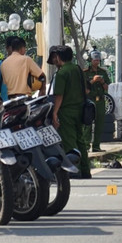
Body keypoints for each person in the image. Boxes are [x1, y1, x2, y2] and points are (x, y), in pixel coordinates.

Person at [51, 46, 90, 178]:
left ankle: (74, 170)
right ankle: (86, 170)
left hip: (66, 111)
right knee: (81, 141)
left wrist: (55, 113)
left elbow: (59, 95)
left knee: (69, 142)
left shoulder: (62, 73)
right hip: (80, 109)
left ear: (59, 57)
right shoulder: (77, 69)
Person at [83, 50, 111, 152]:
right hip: (90, 100)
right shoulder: (85, 72)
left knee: (100, 124)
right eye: (95, 60)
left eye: (98, 60)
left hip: (100, 101)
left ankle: (96, 146)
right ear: (90, 60)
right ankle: (86, 145)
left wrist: (102, 81)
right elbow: (84, 88)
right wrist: (93, 81)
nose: (97, 62)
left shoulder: (103, 72)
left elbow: (107, 87)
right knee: (88, 124)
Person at [0, 36, 16, 101]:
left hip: (23, 102)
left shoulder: (25, 63)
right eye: (13, 48)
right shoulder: (0, 65)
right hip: (6, 103)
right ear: (7, 48)